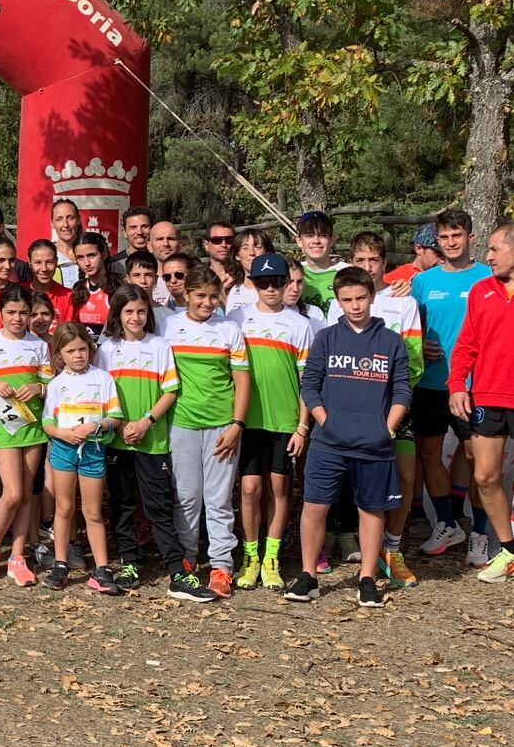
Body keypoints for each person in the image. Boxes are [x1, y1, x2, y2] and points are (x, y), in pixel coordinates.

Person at [290, 266, 412, 608]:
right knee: (315, 506)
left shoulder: (391, 341)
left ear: (372, 296)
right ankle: (307, 576)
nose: (355, 306)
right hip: (329, 442)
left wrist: (387, 427)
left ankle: (368, 579)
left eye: (361, 298)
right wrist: (324, 422)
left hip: (375, 443)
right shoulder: (326, 337)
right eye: (347, 300)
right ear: (338, 301)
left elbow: (402, 389)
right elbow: (310, 385)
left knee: (372, 511)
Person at [451, 223, 514, 592]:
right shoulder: (482, 290)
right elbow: (467, 343)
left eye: (495, 249)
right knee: (484, 476)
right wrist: (456, 385)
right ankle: (509, 551)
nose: (488, 256)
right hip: (486, 396)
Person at [95, 285, 202, 599]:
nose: (135, 317)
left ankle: (176, 570)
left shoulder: (159, 346)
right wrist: (121, 423)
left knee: (158, 506)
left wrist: (145, 422)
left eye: (141, 311)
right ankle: (129, 562)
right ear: (117, 314)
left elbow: (170, 391)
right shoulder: (106, 349)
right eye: (128, 311)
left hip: (152, 441)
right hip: (117, 441)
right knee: (122, 504)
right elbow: (100, 392)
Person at [408, 208, 488, 559]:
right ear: (436, 241)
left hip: (474, 384)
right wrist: (419, 343)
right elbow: (412, 327)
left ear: (469, 236)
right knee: (429, 453)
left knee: (477, 460)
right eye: (445, 237)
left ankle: (480, 533)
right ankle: (447, 523)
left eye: (457, 235)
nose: (451, 242)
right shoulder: (423, 282)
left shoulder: (488, 278)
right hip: (431, 381)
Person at [165, 273, 251, 599]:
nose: (207, 303)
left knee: (217, 500)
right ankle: (186, 560)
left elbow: (242, 380)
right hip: (181, 424)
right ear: (186, 294)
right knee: (186, 496)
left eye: (214, 296)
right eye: (200, 295)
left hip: (221, 426)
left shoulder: (229, 329)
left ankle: (221, 566)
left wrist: (236, 425)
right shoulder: (169, 327)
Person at [347, 231, 424, 588]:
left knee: (406, 475)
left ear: (384, 264)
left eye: (373, 260)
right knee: (357, 479)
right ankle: (365, 547)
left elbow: (415, 359)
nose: (367, 267)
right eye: (360, 261)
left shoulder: (402, 301)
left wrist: (394, 396)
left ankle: (392, 548)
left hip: (394, 403)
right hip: (354, 407)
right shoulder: (342, 299)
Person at [231, 251, 312, 591]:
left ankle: (272, 556)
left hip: (284, 420)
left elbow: (307, 380)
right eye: (262, 282)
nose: (270, 288)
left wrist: (303, 426)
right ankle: (250, 555)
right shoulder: (236, 317)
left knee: (279, 487)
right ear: (253, 284)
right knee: (250, 488)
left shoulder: (300, 324)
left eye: (277, 282)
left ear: (286, 284)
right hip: (248, 420)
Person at [0, 283, 48, 586]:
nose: (17, 318)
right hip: (4, 427)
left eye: (23, 313)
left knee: (27, 493)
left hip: (33, 425)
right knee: (13, 492)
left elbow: (51, 384)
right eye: (11, 312)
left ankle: (18, 557)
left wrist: (39, 388)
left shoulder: (39, 345)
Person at [40, 321, 118, 593]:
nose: (78, 356)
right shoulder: (56, 384)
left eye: (83, 349)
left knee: (93, 511)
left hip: (93, 450)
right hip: (64, 451)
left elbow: (115, 417)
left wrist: (96, 427)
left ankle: (102, 569)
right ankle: (60, 563)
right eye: (71, 351)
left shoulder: (103, 379)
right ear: (60, 354)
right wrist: (62, 434)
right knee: (64, 508)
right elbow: (47, 423)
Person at [69, 233, 115, 333]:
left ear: (104, 254)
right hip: (84, 348)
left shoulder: (117, 287)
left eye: (91, 255)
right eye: (80, 257)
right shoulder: (78, 288)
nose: (86, 263)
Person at [295, 211, 341, 309]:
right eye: (309, 236)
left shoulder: (346, 272)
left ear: (332, 240)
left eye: (322, 235)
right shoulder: (294, 273)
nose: (316, 241)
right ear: (299, 241)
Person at [49, 200, 85, 287]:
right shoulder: (47, 254)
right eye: (59, 219)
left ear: (79, 220)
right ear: (52, 223)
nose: (65, 224)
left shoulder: (91, 254)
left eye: (70, 218)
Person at [112, 207, 153, 276]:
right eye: (133, 227)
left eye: (144, 226)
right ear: (124, 232)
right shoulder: (113, 265)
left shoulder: (162, 261)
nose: (139, 232)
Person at [199, 220, 237, 288]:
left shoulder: (243, 275)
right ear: (206, 245)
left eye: (229, 240)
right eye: (216, 240)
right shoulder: (198, 276)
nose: (224, 245)